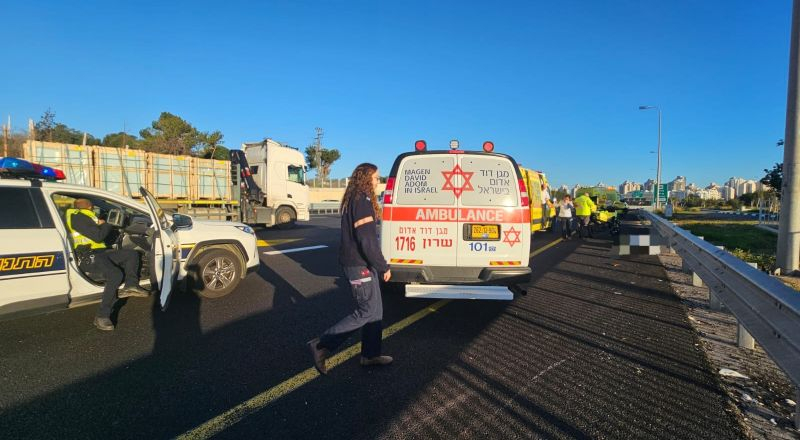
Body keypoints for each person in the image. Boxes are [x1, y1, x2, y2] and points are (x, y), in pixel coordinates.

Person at [308, 163, 393, 374]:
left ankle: (370, 355)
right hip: (358, 265)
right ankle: (322, 344)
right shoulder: (361, 201)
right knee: (366, 311)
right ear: (366, 178)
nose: (378, 181)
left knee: (376, 311)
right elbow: (367, 240)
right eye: (376, 177)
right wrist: (383, 266)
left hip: (363, 263)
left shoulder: (356, 198)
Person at [66, 199, 149, 331]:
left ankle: (131, 285)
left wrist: (103, 224)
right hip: (88, 257)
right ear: (90, 206)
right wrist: (109, 223)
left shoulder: (87, 217)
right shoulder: (78, 217)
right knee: (116, 274)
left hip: (100, 253)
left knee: (131, 254)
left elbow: (98, 235)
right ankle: (102, 316)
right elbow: (98, 236)